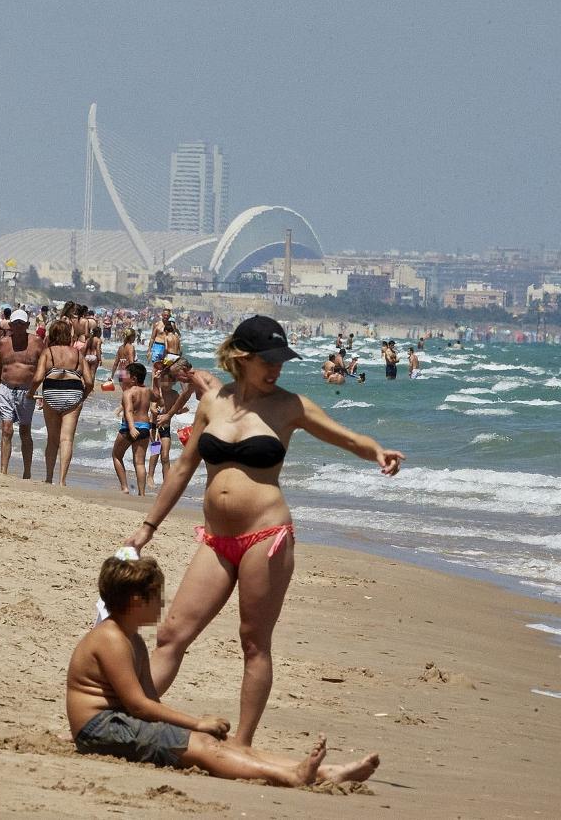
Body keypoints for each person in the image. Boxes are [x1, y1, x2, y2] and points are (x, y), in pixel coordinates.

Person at [125, 316, 405, 746]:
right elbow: (183, 468)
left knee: (254, 641)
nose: (277, 368)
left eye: (281, 360)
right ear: (242, 357)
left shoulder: (289, 406)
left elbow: (346, 438)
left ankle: (242, 743)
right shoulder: (213, 402)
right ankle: (131, 716)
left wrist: (377, 452)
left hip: (265, 537)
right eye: (268, 360)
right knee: (171, 633)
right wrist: (147, 528)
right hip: (216, 541)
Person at [68, 554, 380, 787]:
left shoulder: (132, 638)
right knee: (203, 744)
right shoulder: (111, 639)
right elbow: (137, 705)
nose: (162, 604)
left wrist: (191, 727)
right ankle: (293, 777)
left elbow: (151, 702)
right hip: (99, 729)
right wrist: (197, 723)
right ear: (137, 601)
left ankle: (326, 772)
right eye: (156, 597)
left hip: (119, 722)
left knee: (214, 742)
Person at [31, 319, 93, 486]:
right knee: (66, 439)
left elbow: (37, 377)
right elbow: (89, 381)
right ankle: (62, 480)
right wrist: (83, 396)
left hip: (51, 393)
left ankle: (49, 477)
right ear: (68, 335)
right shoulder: (78, 354)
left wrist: (31, 393)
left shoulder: (48, 352)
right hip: (73, 394)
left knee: (52, 439)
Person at [0, 309, 44, 478]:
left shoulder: (37, 342)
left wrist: (40, 393)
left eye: (22, 323)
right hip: (6, 388)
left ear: (28, 325)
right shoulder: (3, 343)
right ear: (11, 325)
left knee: (24, 431)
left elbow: (43, 369)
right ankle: (3, 471)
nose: (19, 327)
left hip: (27, 391)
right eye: (16, 324)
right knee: (6, 429)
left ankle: (27, 472)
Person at [111, 363, 151, 495]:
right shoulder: (147, 391)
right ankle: (142, 493)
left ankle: (124, 487)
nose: (123, 376)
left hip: (129, 427)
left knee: (116, 455)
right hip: (145, 427)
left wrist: (132, 427)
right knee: (139, 462)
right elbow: (159, 399)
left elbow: (128, 411)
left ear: (133, 378)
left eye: (126, 374)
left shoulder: (128, 393)